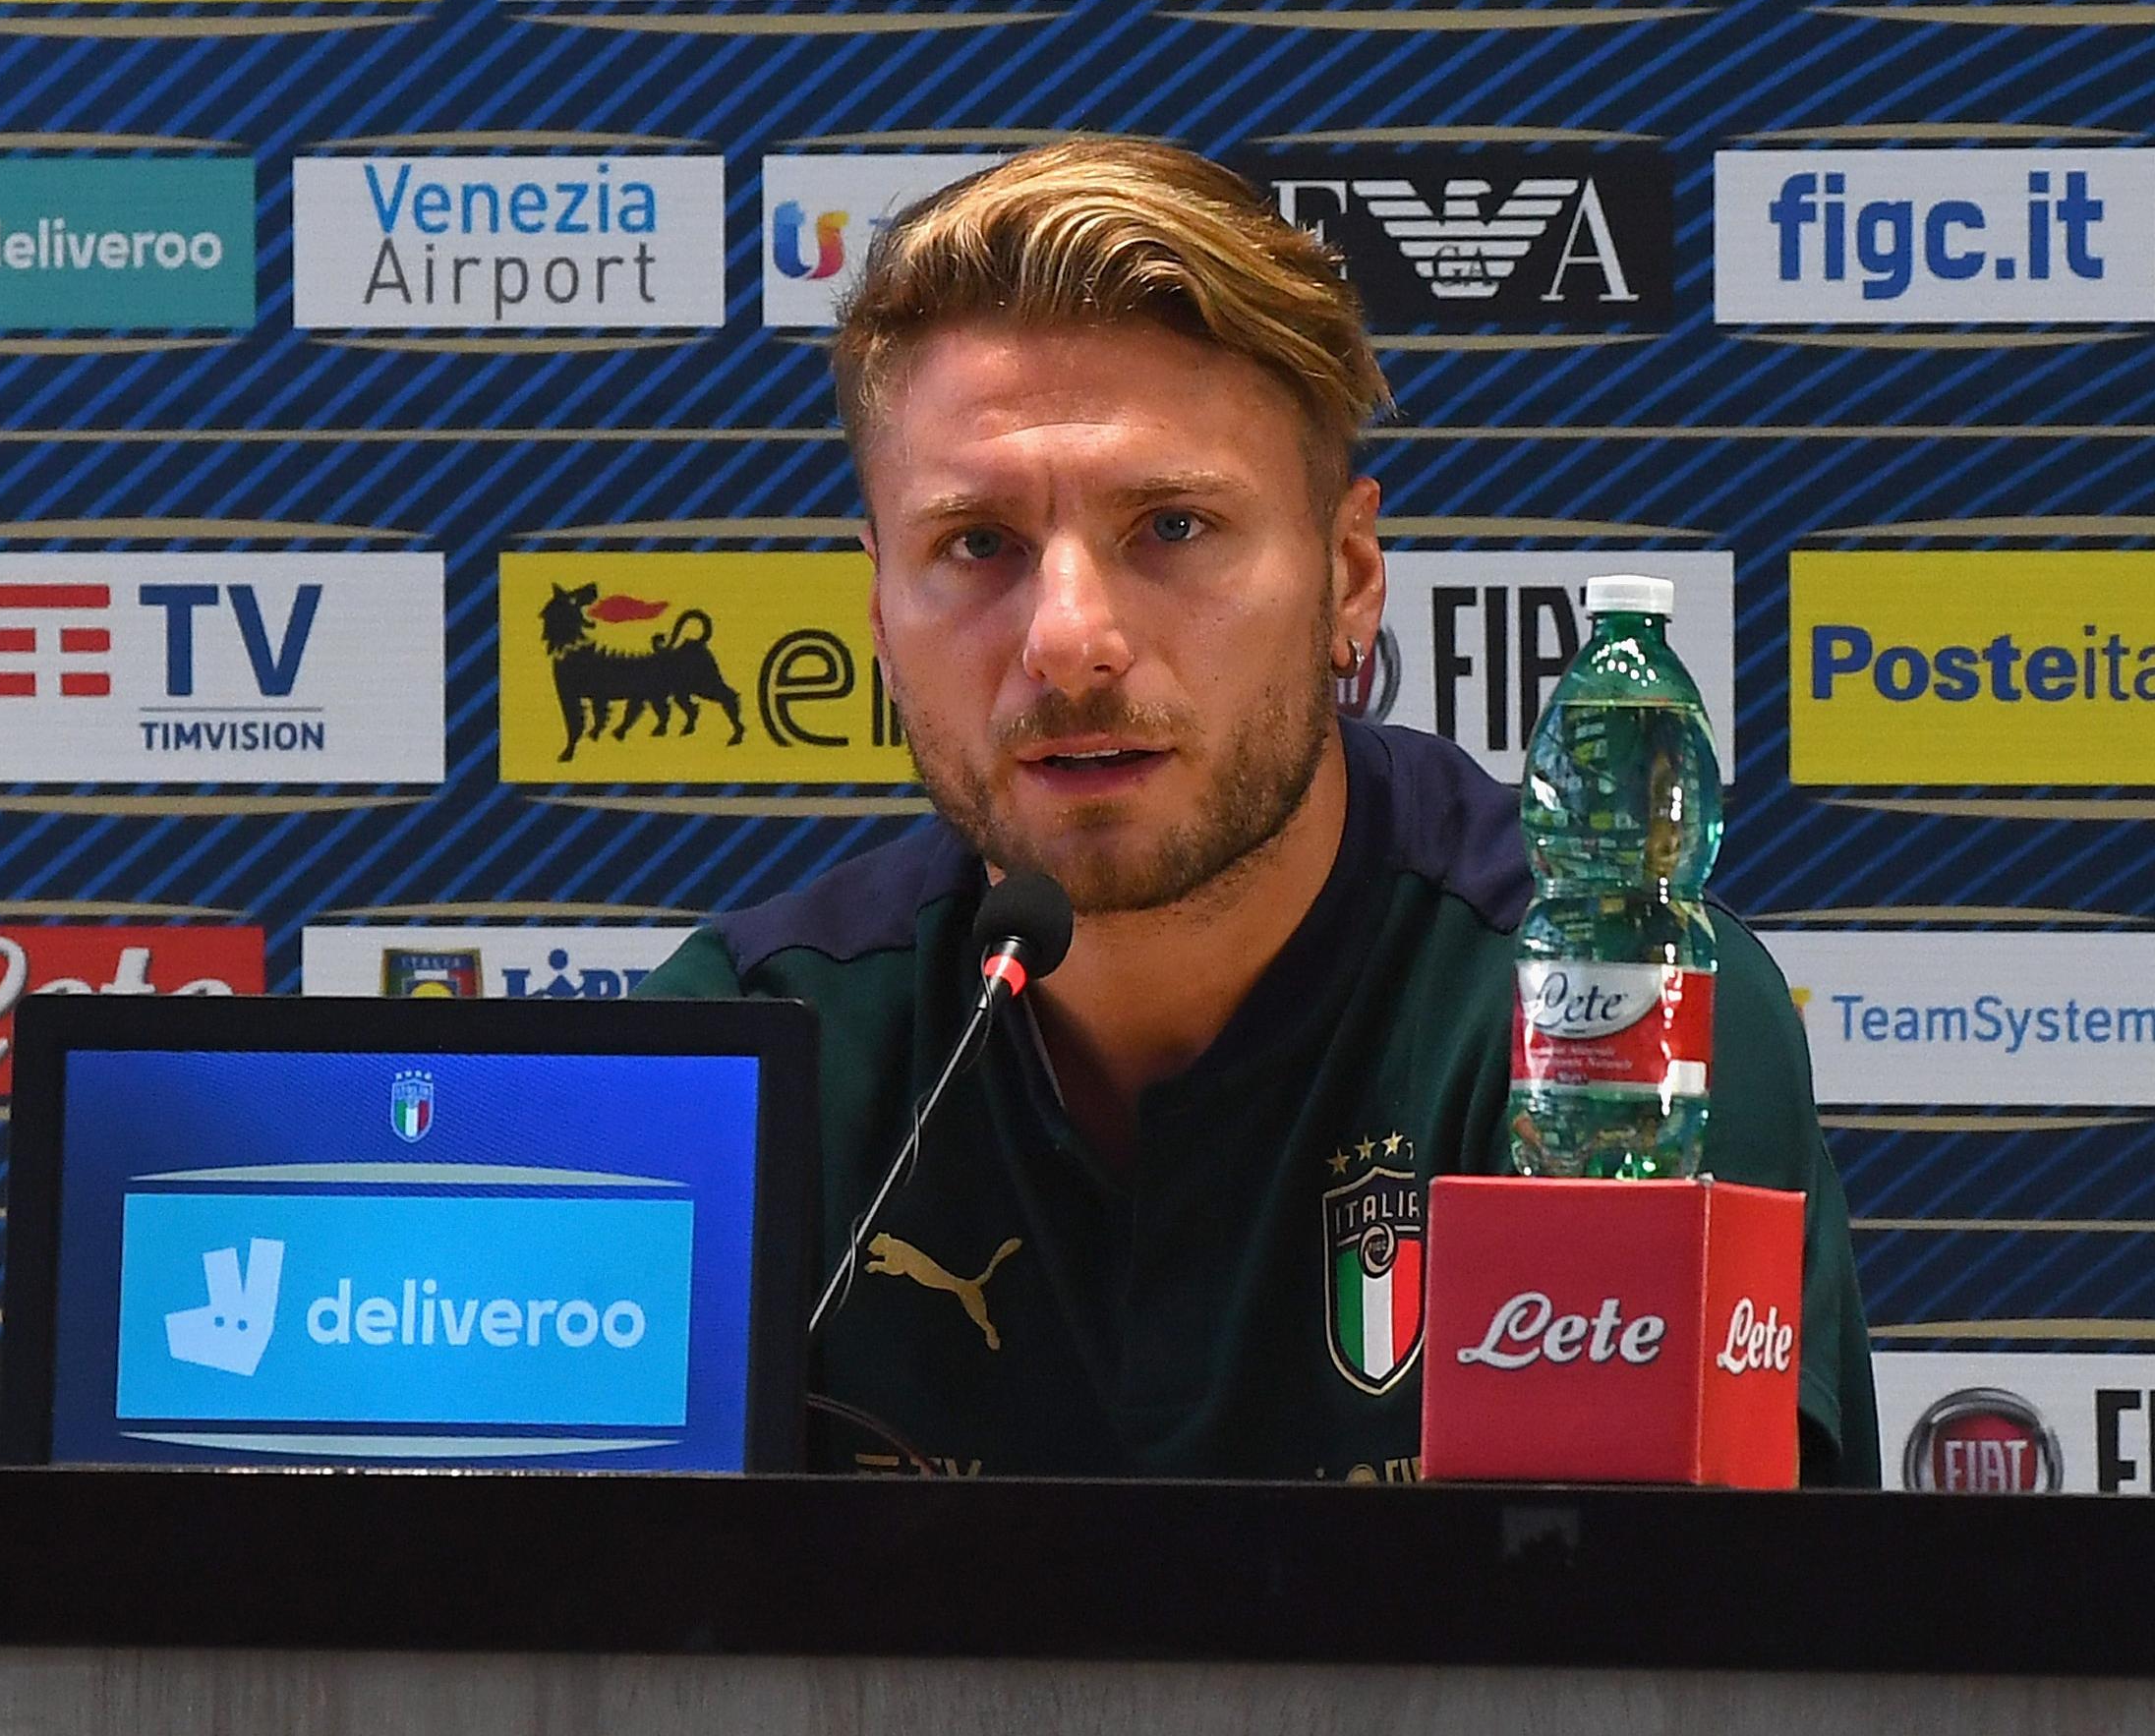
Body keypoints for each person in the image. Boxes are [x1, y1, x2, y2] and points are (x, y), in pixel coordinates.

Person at [638, 138, 1880, 1484]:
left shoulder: (1609, 1017)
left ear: (1350, 578)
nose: (1070, 642)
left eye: (1172, 527)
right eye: (977, 544)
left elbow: (1667, 1620)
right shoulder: (749, 1056)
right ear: (880, 612)